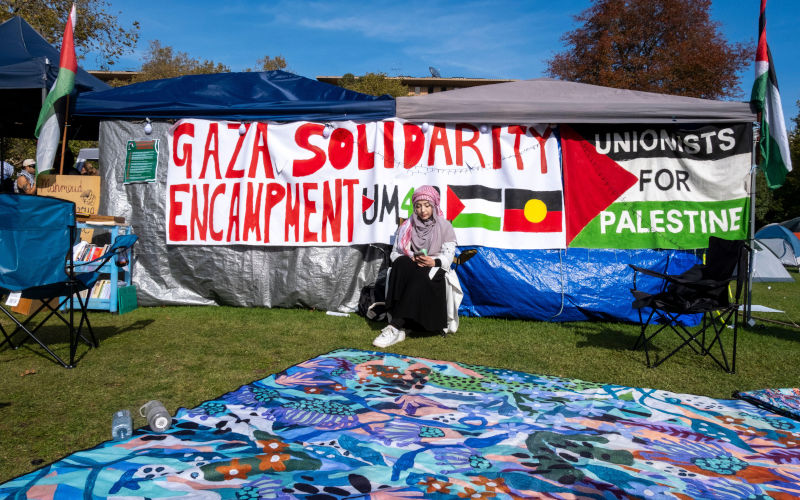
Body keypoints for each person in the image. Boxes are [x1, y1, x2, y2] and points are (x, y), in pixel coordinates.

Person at [373, 185, 459, 348]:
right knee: (400, 263)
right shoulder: (407, 225)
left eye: (427, 205)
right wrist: (412, 257)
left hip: (434, 269)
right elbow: (395, 253)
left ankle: (395, 326)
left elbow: (449, 256)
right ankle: (401, 325)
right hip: (414, 264)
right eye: (418, 206)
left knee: (421, 274)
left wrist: (434, 261)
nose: (423, 210)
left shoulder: (445, 226)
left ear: (434, 205)